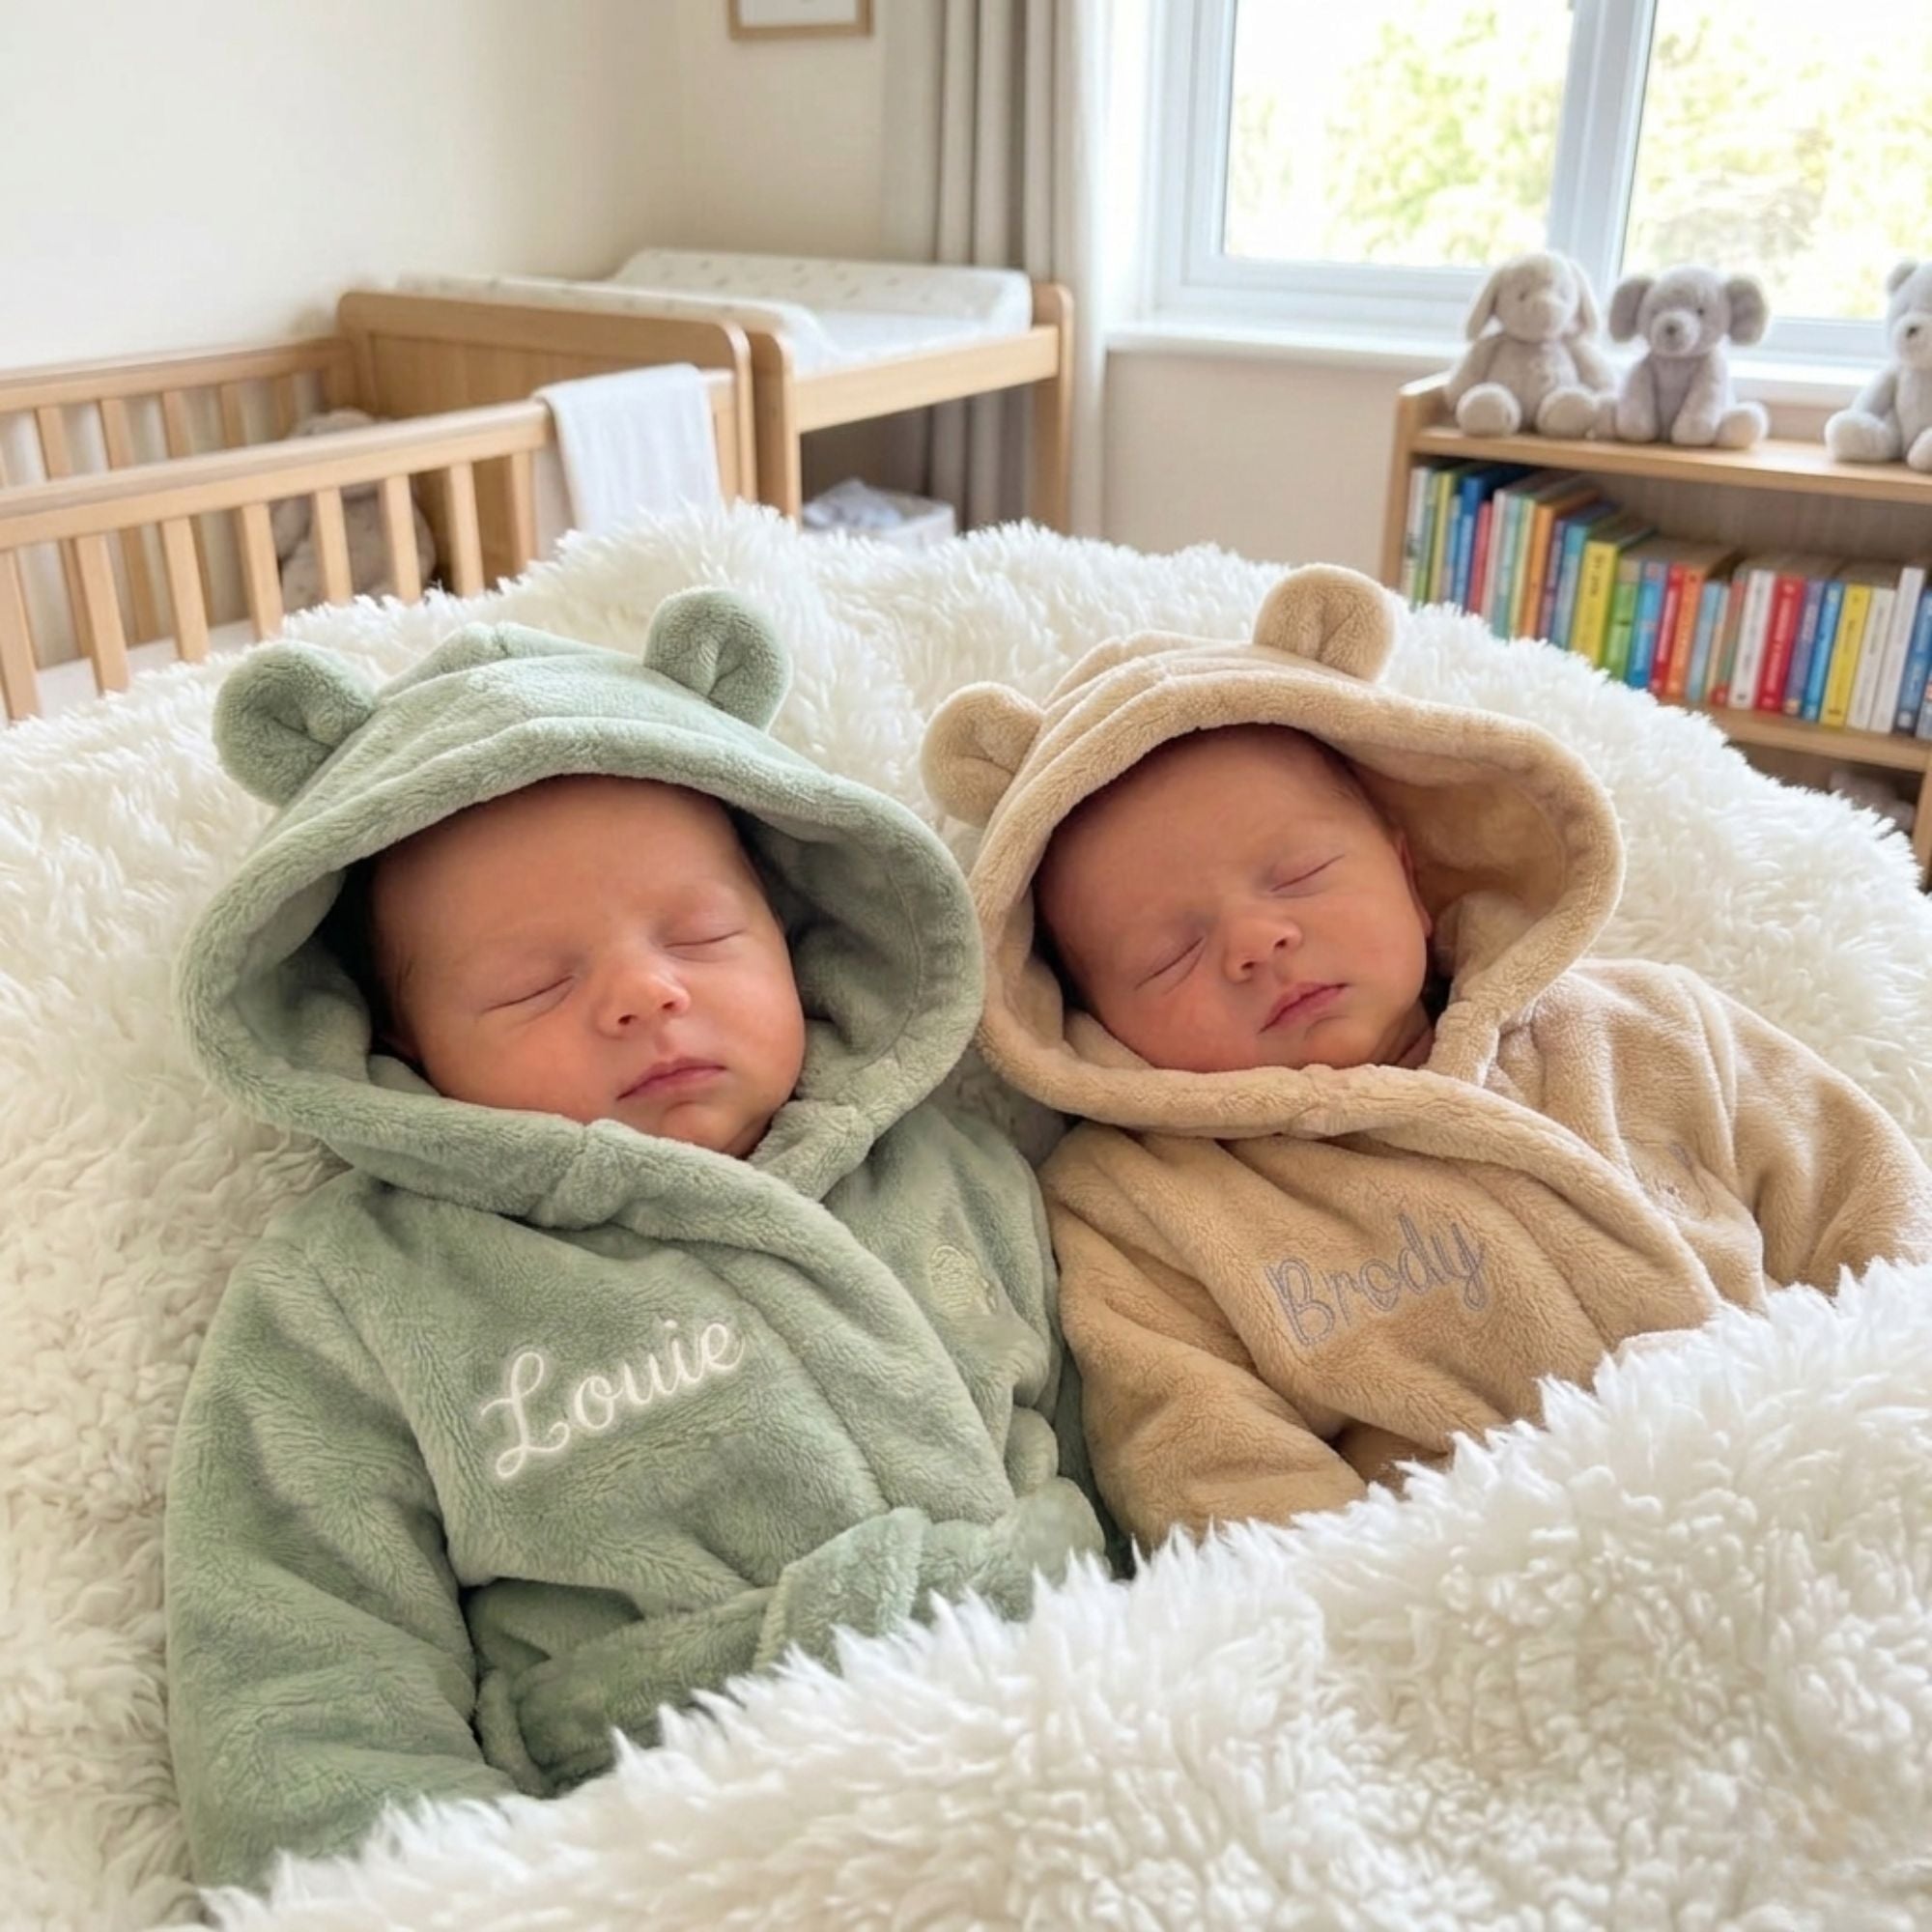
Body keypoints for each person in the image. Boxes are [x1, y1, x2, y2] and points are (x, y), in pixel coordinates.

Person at [167, 591, 1103, 1890]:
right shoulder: (356, 1292)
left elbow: (1126, 1448)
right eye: (533, 984)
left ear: (794, 937)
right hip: (665, 1835)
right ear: (401, 1048)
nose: (645, 993)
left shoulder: (957, 1174)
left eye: (704, 936)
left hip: (1079, 1736)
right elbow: (301, 1653)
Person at [923, 563, 1932, 1550]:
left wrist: (1876, 1416)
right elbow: (1204, 1467)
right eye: (1170, 950)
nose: (1253, 940)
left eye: (1302, 872)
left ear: (1410, 873)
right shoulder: (1140, 1207)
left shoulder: (1647, 1025)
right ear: (1089, 1021)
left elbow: (1866, 1200)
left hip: (1829, 1483)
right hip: (1506, 1596)